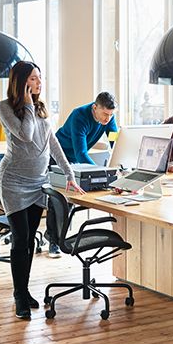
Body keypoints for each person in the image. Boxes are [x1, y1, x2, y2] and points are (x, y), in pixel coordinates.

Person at [0, 61, 84, 320]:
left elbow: (52, 144)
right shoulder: (6, 107)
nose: (39, 83)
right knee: (20, 239)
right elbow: (25, 134)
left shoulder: (40, 109)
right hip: (13, 182)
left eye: (40, 78)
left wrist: (69, 174)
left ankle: (24, 290)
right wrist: (26, 104)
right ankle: (19, 295)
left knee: (30, 238)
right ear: (21, 82)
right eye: (33, 79)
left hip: (37, 183)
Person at [45, 92, 118, 257]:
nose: (108, 119)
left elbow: (115, 142)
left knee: (69, 201)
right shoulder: (80, 116)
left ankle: (57, 235)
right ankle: (53, 241)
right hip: (58, 156)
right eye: (105, 114)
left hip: (76, 160)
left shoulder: (109, 118)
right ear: (95, 107)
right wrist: (102, 173)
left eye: (111, 114)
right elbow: (81, 153)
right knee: (59, 199)